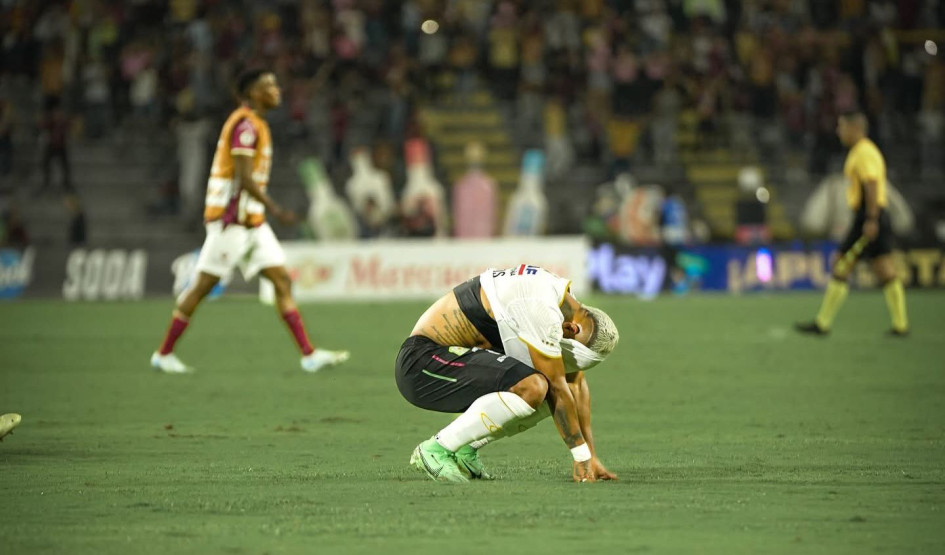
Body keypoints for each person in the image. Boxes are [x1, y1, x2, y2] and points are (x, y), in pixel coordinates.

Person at [150, 69, 350, 374]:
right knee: (202, 287)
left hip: (252, 222)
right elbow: (244, 178)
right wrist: (277, 210)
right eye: (268, 86)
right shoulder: (245, 125)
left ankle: (308, 355)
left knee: (281, 281)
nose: (276, 90)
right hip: (232, 221)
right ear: (252, 94)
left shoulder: (256, 123)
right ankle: (163, 353)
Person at [395, 265, 620, 483]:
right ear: (572, 328)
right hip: (422, 364)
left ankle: (465, 449)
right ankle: (436, 448)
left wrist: (591, 456)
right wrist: (581, 458)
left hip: (454, 360)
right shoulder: (540, 310)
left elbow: (575, 383)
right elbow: (557, 387)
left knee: (551, 388)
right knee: (534, 387)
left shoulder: (563, 303)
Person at [796, 111, 908, 337]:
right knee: (883, 268)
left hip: (868, 215)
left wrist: (871, 219)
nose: (839, 132)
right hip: (871, 214)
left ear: (854, 128)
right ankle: (900, 325)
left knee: (841, 263)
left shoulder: (864, 152)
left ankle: (822, 323)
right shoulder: (862, 151)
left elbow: (872, 183)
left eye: (841, 127)